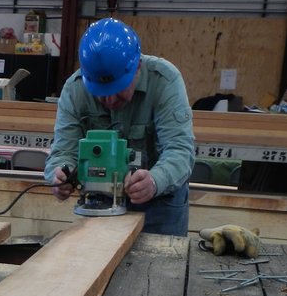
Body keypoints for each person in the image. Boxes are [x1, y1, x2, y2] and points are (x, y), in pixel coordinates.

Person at [45, 18, 195, 236]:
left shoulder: (164, 81)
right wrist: (59, 176)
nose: (111, 100)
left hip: (159, 208)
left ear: (138, 67)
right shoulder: (74, 90)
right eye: (101, 92)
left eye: (119, 88)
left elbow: (180, 150)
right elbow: (63, 151)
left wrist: (155, 180)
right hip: (99, 205)